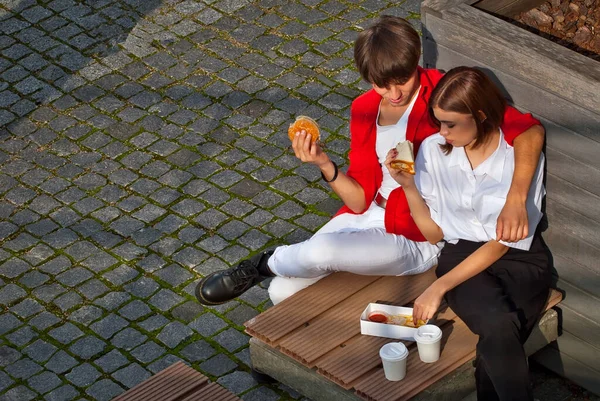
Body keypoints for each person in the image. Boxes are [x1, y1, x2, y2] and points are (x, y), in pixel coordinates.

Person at [195, 16, 546, 306]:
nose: (394, 93)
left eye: (403, 80)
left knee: (321, 250)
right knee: (283, 290)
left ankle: (258, 264)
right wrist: (323, 164)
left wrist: (516, 199)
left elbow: (529, 131)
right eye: (382, 84)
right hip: (368, 216)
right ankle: (275, 364)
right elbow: (360, 199)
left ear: (415, 61)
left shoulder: (442, 93)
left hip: (416, 234)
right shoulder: (363, 109)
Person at [386, 66, 550, 401]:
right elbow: (434, 235)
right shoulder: (433, 150)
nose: (441, 131)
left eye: (450, 123)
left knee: (496, 336)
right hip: (459, 254)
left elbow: (504, 243)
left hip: (519, 257)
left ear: (480, 115)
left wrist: (438, 288)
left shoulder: (514, 159)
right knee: (498, 325)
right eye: (438, 122)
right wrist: (409, 187)